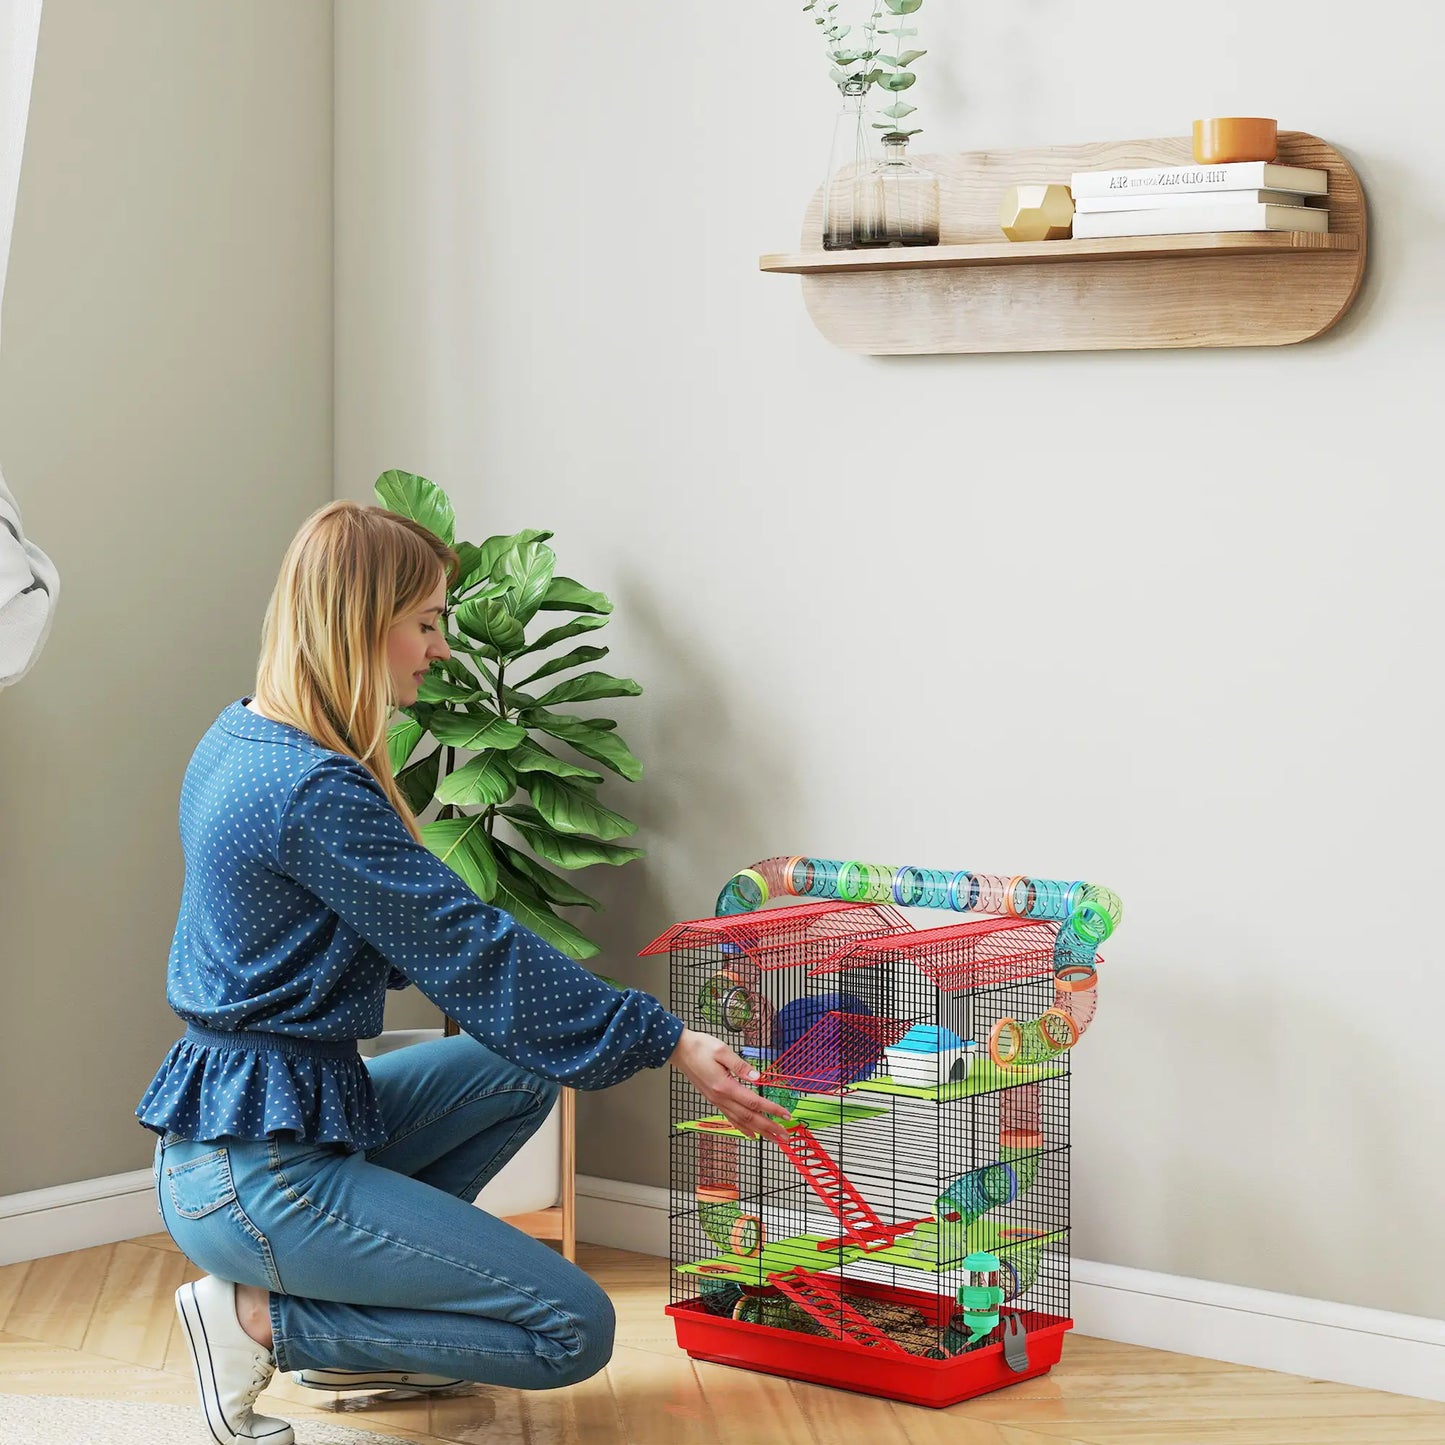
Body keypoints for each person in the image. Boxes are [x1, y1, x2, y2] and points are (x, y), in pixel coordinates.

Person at [135, 500, 789, 1445]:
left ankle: (366, 1329)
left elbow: (452, 945)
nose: (439, 649)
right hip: (256, 1171)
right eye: (427, 622)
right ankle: (255, 1322)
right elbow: (468, 944)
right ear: (363, 624)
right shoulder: (311, 788)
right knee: (573, 1328)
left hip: (251, 1126)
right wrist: (670, 1037)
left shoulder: (247, 733)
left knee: (525, 1063)